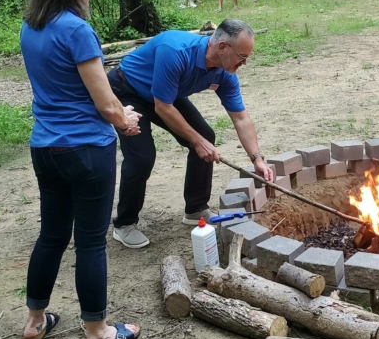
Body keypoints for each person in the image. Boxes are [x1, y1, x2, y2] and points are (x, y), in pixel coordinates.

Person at [20, 0, 141, 339]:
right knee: (90, 241)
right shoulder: (77, 30)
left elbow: (58, 89)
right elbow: (106, 104)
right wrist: (126, 118)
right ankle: (97, 334)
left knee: (51, 235)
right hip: (87, 151)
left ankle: (35, 322)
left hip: (45, 149)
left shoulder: (30, 26)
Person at [106, 19, 275, 247]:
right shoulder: (175, 51)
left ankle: (195, 208)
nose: (244, 63)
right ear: (222, 47)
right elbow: (162, 108)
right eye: (242, 56)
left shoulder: (224, 74)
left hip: (166, 94)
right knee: (142, 157)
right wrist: (196, 141)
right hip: (128, 90)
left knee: (206, 135)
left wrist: (257, 159)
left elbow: (241, 118)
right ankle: (124, 224)